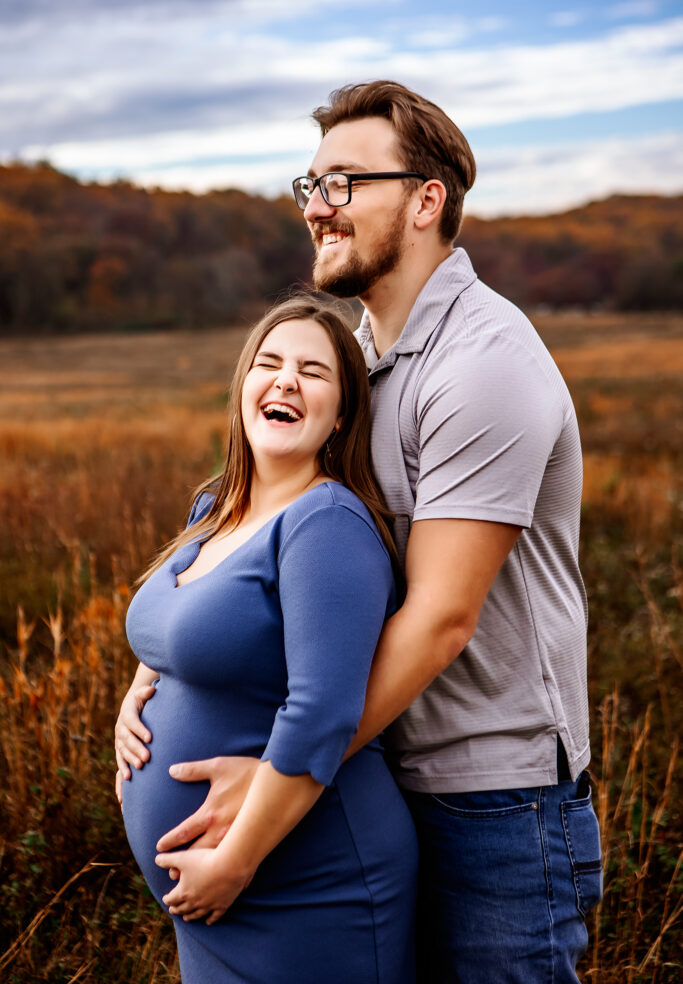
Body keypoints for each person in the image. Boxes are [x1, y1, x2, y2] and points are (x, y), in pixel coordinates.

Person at [116, 81, 603, 983]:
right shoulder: (364, 362)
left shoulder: (481, 363)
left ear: (427, 201)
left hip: (489, 798)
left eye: (343, 183)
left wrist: (271, 784)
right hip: (371, 777)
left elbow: (439, 620)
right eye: (309, 184)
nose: (315, 207)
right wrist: (160, 666)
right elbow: (267, 536)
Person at [116, 297, 418, 984]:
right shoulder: (215, 504)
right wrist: (137, 697)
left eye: (312, 372)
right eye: (269, 363)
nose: (285, 380)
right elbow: (181, 622)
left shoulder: (327, 523)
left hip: (304, 882)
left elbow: (322, 710)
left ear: (340, 414)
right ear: (244, 388)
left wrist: (235, 862)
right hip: (217, 897)